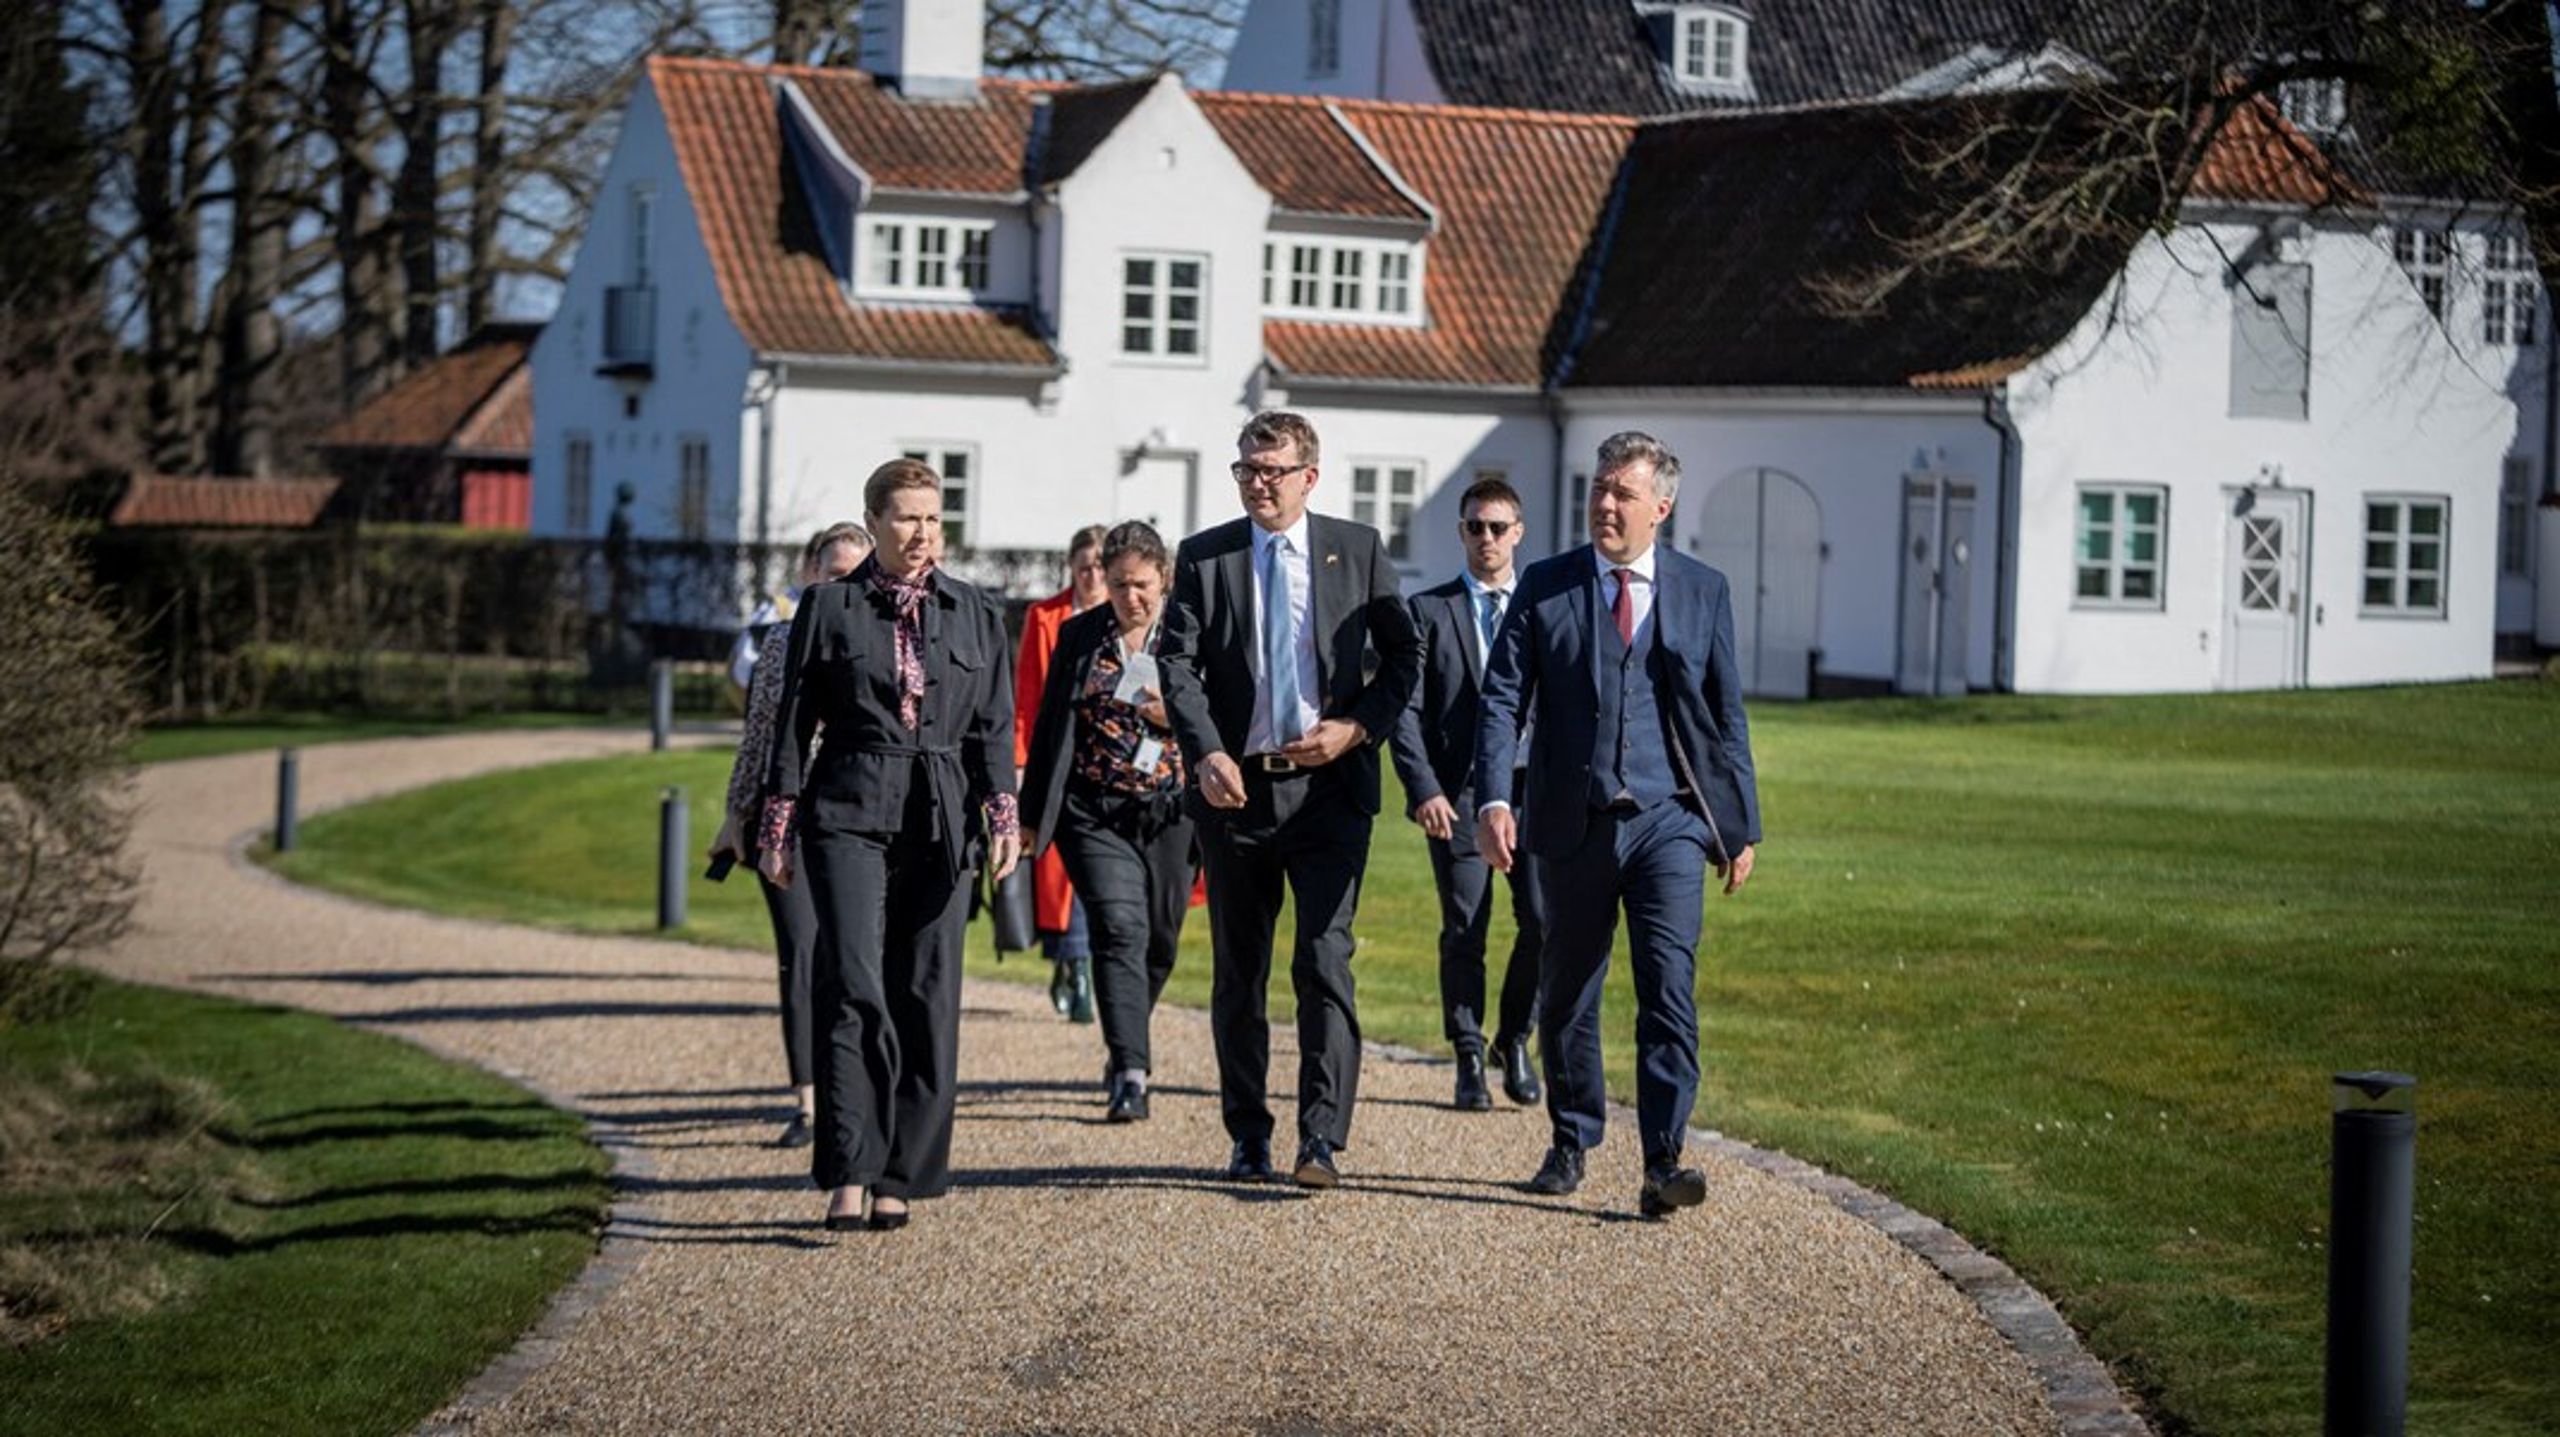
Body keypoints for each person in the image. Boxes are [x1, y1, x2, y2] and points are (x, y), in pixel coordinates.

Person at [1475, 431, 1760, 1219]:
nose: (1605, 503)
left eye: (1622, 493)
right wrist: (1495, 799)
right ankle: (1571, 1138)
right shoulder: (1546, 585)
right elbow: (1502, 700)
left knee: (1670, 989)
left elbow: (1724, 715)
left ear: (1660, 507)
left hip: (1669, 821)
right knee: (1569, 991)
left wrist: (1739, 828)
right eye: (1600, 488)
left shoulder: (1703, 590)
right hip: (1572, 821)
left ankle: (1664, 1158)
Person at [1158, 410, 1421, 1189]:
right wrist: (1204, 748)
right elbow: (1176, 662)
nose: (1258, 484)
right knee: (1241, 971)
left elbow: (1407, 655)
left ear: (1310, 475)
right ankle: (1248, 1132)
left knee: (1323, 958)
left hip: (1330, 790)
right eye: (1246, 469)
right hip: (1235, 792)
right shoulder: (1206, 558)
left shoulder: (1358, 549)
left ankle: (1320, 1138)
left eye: (1272, 471)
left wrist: (1357, 729)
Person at [757, 458, 1020, 1233]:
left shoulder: (974, 610)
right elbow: (792, 723)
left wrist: (1002, 815)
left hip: (940, 818)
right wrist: (776, 827)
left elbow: (995, 728)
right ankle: (850, 1166)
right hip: (846, 810)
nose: (922, 532)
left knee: (927, 996)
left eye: (934, 518)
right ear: (873, 521)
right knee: (854, 986)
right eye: (907, 517)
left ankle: (903, 1171)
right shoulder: (829, 607)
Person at [1019, 521, 1197, 1123]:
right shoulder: (1080, 636)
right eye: (1119, 584)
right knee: (1119, 928)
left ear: (1164, 579)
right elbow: (1049, 731)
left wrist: (1179, 717)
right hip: (1092, 811)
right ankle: (1130, 1071)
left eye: (1142, 585)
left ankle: (1128, 1031)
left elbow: (1228, 711)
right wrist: (1028, 817)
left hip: (1172, 810)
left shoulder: (1190, 635)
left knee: (1161, 938)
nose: (1130, 597)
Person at [1387, 476, 1545, 1113]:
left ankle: (1515, 1037)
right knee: (1464, 925)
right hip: (1457, 794)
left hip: (1533, 788)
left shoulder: (1542, 605)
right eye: (1476, 527)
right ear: (1461, 533)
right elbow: (1404, 708)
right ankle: (1468, 1053)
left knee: (1542, 919)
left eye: (1499, 527)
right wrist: (1423, 787)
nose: (1487, 538)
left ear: (1519, 533)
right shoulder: (1428, 610)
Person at [712, 521, 872, 1148]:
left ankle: (852, 1088)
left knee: (856, 957)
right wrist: (735, 813)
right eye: (833, 575)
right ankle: (807, 1099)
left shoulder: (881, 642)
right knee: (802, 953)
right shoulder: (778, 646)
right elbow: (757, 737)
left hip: (857, 817)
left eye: (854, 576)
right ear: (810, 575)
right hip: (786, 819)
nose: (842, 587)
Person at [1015, 526, 1110, 1022]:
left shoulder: (1126, 614)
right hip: (1055, 758)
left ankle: (1085, 963)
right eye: (1084, 566)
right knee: (1061, 870)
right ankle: (1071, 960)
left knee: (1100, 869)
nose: (1092, 575)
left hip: (1107, 762)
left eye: (1099, 565)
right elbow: (1028, 692)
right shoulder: (1046, 615)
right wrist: (1020, 760)